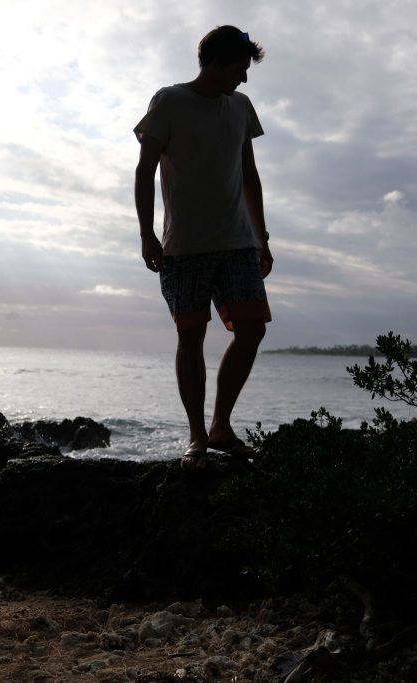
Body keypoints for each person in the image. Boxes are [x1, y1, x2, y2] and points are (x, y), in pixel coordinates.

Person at [134, 26, 273, 470]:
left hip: (238, 242)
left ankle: (221, 426)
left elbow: (249, 173)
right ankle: (196, 436)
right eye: (239, 68)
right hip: (184, 247)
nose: (244, 79)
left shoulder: (241, 107)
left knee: (252, 330)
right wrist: (146, 233)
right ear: (213, 62)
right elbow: (144, 171)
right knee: (190, 335)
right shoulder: (169, 101)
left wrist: (262, 237)